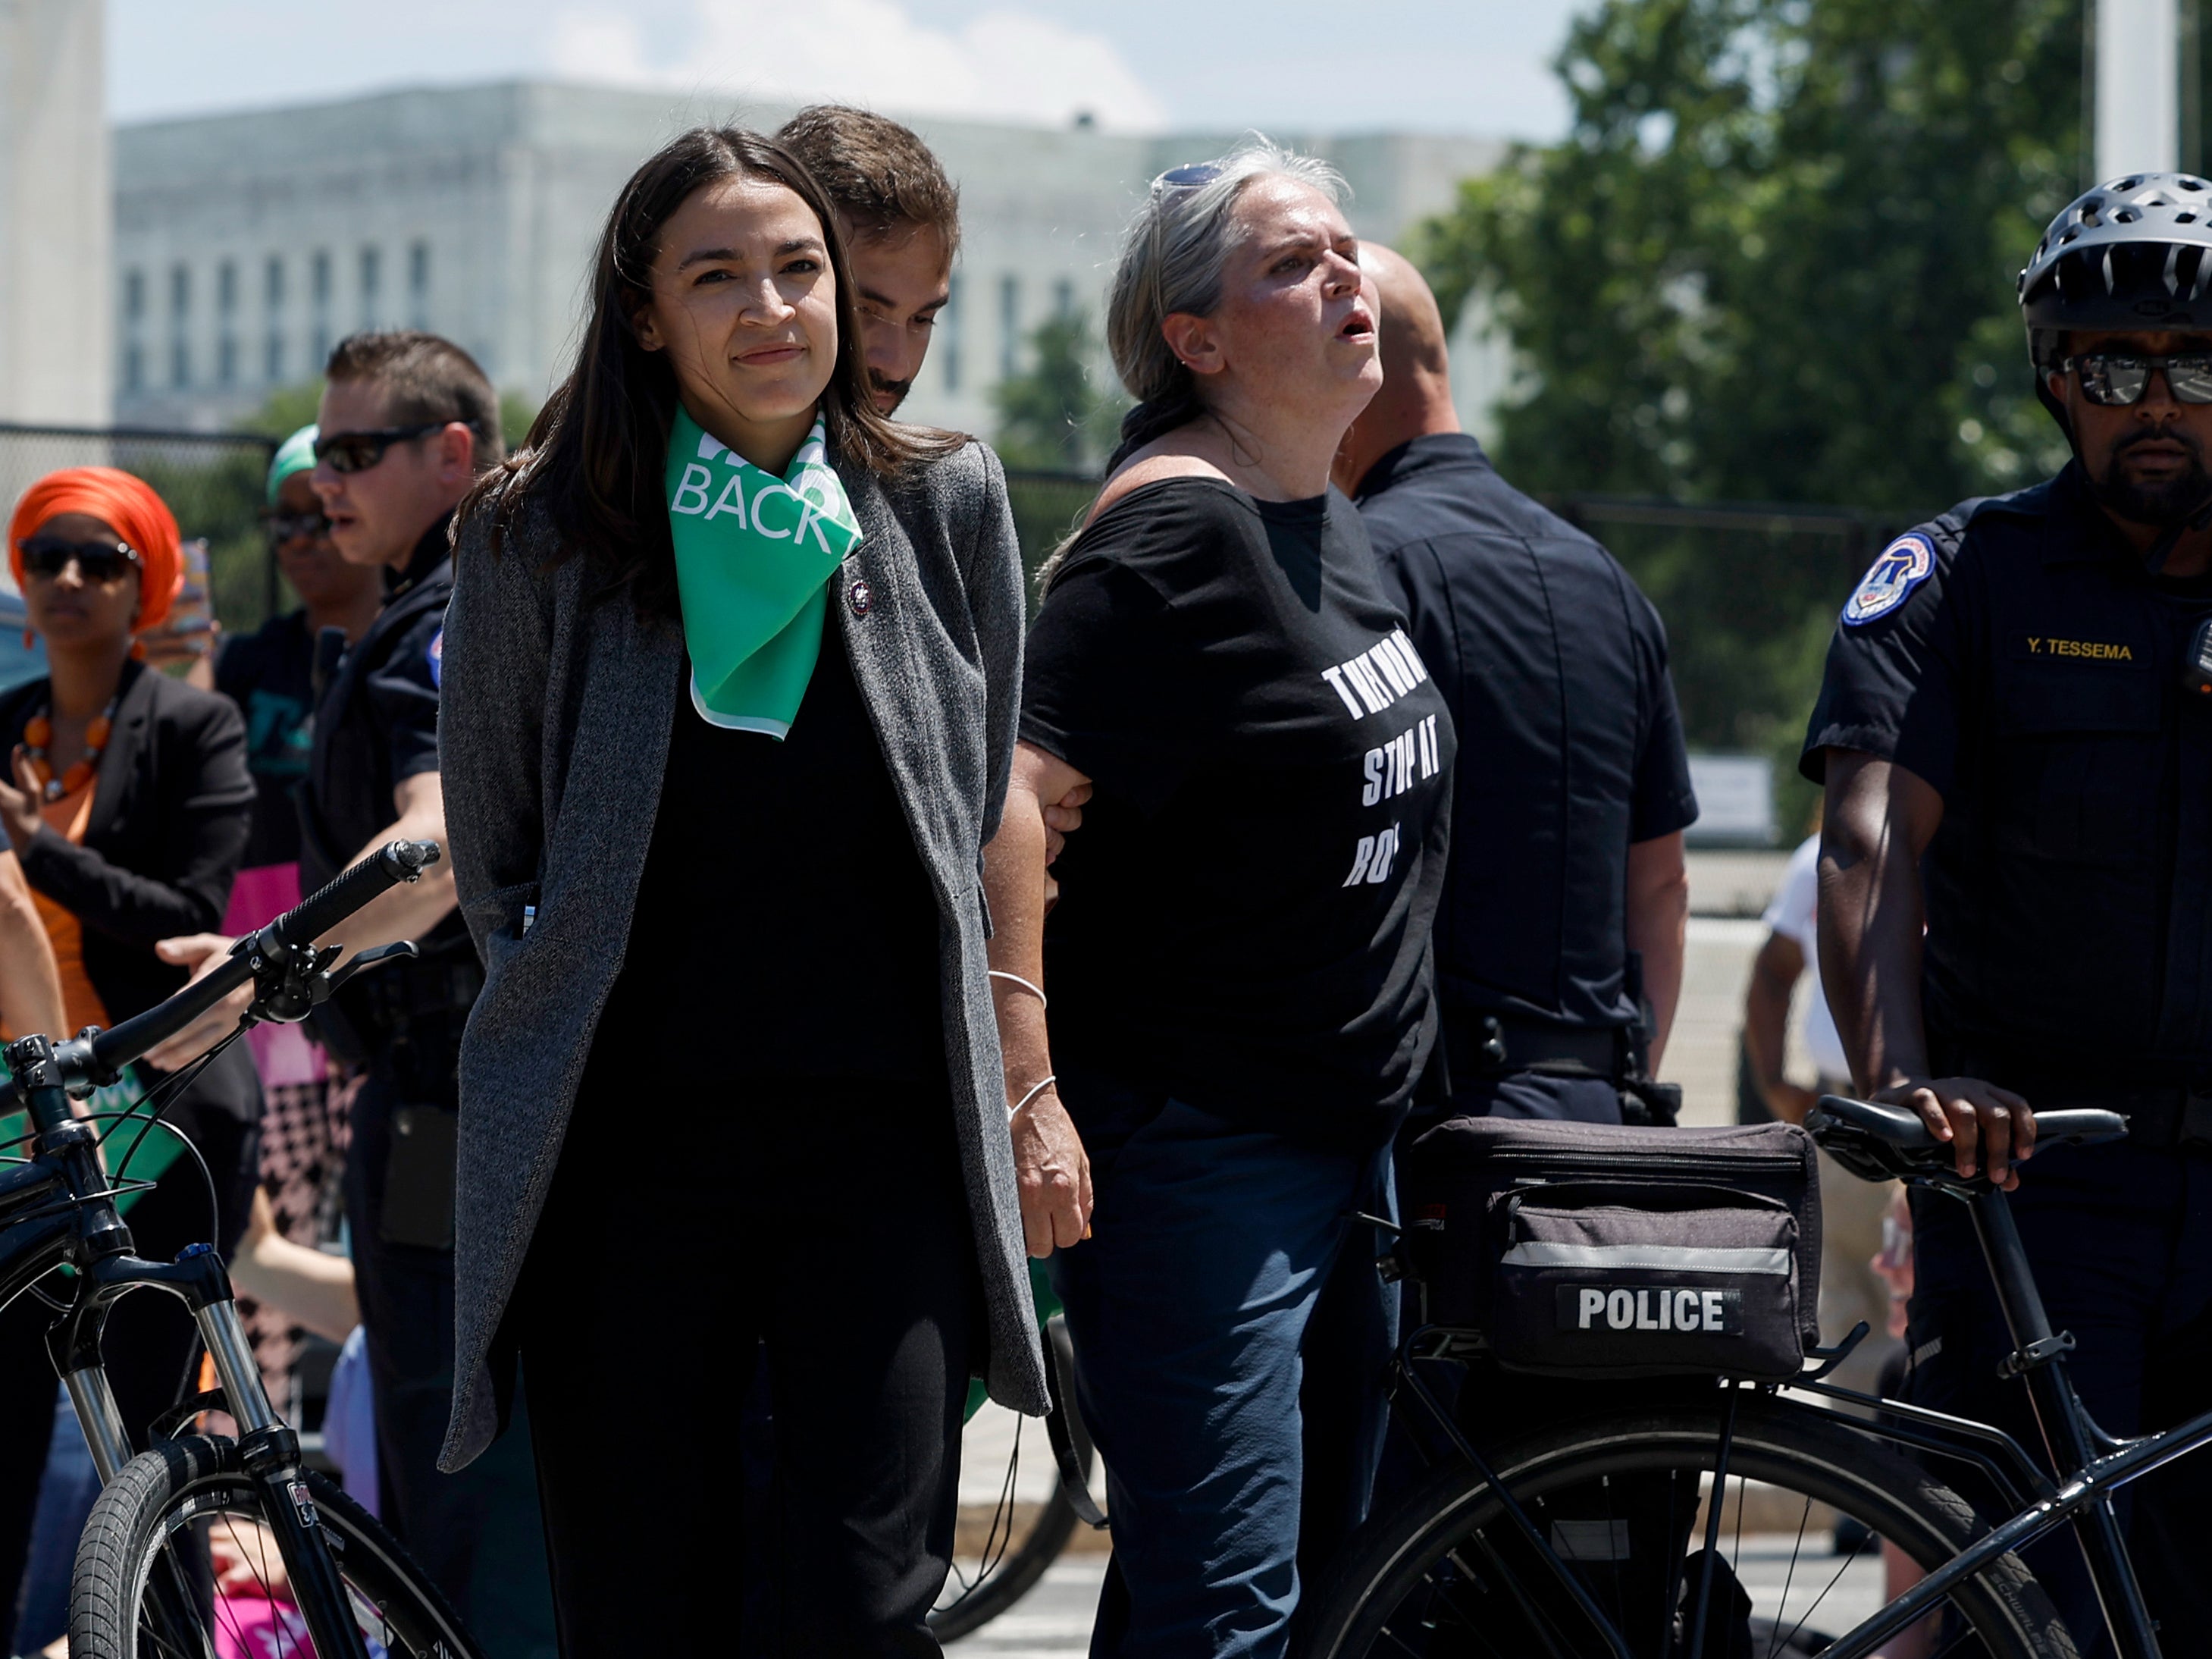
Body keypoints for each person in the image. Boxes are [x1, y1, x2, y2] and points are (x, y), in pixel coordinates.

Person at [436, 125, 1053, 1656]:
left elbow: (967, 799)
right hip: (621, 1168)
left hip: (882, 1159)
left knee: (863, 1607)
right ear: (645, 312)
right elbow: (494, 841)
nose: (771, 307)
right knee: (646, 1610)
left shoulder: (946, 502)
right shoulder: (533, 534)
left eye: (799, 270)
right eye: (718, 276)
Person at [985, 142, 1454, 1658]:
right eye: (1287, 260)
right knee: (1231, 1609)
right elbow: (1012, 805)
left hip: (1342, 1141)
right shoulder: (1170, 533)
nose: (1341, 273)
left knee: (1294, 1589)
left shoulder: (1323, 508)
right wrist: (1028, 1089)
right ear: (1194, 338)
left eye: (1343, 243)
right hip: (1205, 1155)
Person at [1806, 172, 2212, 1653]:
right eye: (2114, 365)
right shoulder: (1963, 576)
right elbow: (1866, 841)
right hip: (2036, 1177)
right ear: (2057, 379)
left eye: (2196, 365)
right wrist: (1902, 1075)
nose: (2154, 401)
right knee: (2020, 1615)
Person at [151, 334, 555, 1655]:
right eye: (318, 453)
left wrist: (259, 978)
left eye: (351, 453)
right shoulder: (447, 604)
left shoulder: (441, 617)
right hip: (453, 1094)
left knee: (467, 1461)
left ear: (453, 456)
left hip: (448, 1097)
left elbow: (429, 852)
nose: (324, 481)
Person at [1334, 245, 1695, 1126]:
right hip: (1597, 1112)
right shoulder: (1608, 579)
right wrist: (1624, 1083)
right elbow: (1660, 884)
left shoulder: (1356, 568)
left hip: (1426, 1122)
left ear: (1358, 375)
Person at [0, 466, 261, 1651]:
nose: (67, 579)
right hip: (18, 1123)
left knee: (156, 1437)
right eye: (47, 554)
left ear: (144, 586)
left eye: (99, 560)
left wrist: (39, 854)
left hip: (158, 1114)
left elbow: (184, 913)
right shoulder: (3, 729)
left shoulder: (197, 727)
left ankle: (168, 1642)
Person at [1744, 820, 1898, 1394]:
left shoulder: (1957, 845)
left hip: (1945, 1120)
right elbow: (1774, 968)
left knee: (1931, 1318)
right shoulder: (1822, 857)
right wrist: (1776, 1083)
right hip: (1851, 1117)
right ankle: (1867, 1472)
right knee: (1850, 1316)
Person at [777, 105, 956, 417]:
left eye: (922, 319)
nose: (896, 367)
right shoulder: (666, 460)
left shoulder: (957, 466)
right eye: (862, 311)